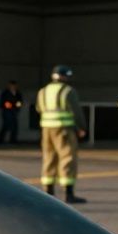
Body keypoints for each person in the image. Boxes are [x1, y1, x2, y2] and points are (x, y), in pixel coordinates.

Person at [37, 65, 87, 203]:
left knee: (49, 157)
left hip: (46, 128)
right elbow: (76, 111)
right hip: (63, 129)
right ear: (64, 76)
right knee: (67, 158)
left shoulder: (43, 91)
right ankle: (68, 193)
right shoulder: (67, 91)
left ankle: (48, 191)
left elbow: (39, 108)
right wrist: (82, 127)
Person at [0, 80, 23, 144]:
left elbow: (20, 101)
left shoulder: (18, 93)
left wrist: (18, 106)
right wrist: (7, 105)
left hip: (14, 111)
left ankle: (13, 140)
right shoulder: (5, 93)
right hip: (7, 112)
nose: (13, 87)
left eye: (14, 86)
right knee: (6, 125)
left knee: (15, 126)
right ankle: (1, 140)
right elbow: (2, 103)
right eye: (11, 86)